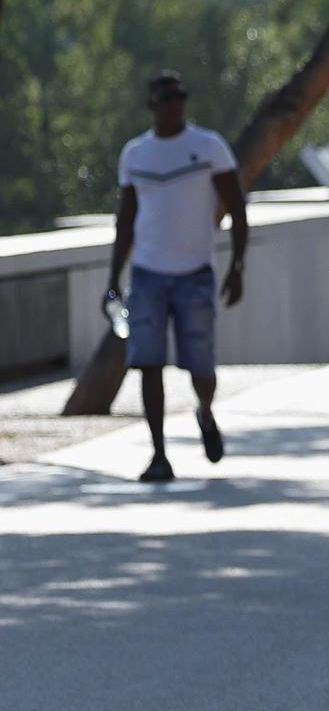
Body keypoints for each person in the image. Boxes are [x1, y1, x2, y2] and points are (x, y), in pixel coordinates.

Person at [106, 71, 248, 483]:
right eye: (165, 98)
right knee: (148, 363)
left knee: (200, 367)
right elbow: (126, 220)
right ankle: (159, 455)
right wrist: (114, 278)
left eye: (179, 96)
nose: (173, 104)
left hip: (194, 274)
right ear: (152, 105)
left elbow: (237, 208)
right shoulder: (135, 154)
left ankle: (204, 411)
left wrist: (237, 266)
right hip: (148, 274)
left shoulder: (208, 147)